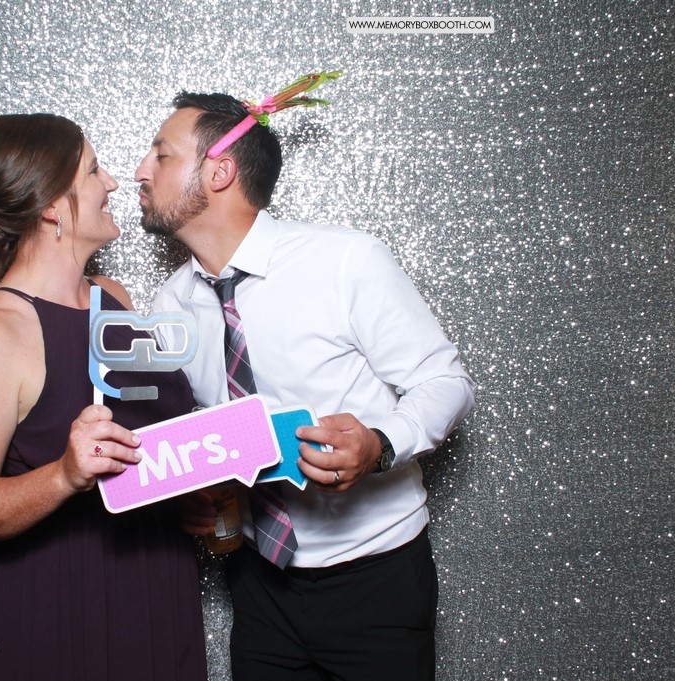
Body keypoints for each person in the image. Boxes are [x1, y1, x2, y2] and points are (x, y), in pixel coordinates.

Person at [136, 82, 475, 680]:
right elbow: (207, 436)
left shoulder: (345, 261)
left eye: (161, 154)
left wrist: (379, 444)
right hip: (257, 580)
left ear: (219, 172)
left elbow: (444, 382)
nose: (141, 171)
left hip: (376, 576)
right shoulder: (171, 303)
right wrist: (194, 492)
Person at [0, 113, 207, 681]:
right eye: (94, 170)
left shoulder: (112, 297)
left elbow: (141, 440)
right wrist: (62, 475)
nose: (113, 183)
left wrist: (186, 494)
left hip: (152, 588)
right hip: (55, 605)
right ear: (53, 206)